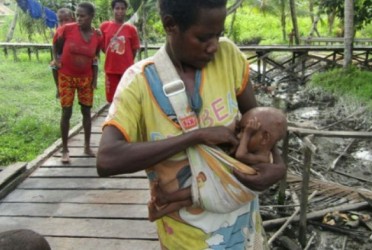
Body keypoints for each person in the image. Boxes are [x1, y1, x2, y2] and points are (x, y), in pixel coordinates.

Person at [96, 0, 286, 249]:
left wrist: (279, 165)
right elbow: (107, 160)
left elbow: (261, 121)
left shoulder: (228, 57)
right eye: (204, 38)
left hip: (243, 229)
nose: (213, 47)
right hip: (186, 239)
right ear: (170, 25)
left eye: (218, 35)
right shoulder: (138, 83)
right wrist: (195, 137)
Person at [147, 107, 287, 222]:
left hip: (226, 193)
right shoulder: (266, 151)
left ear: (265, 138)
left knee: (193, 193)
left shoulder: (263, 158)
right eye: (239, 130)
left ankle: (166, 199)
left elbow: (240, 155)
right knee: (190, 198)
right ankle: (159, 212)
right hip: (223, 185)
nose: (239, 136)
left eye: (245, 132)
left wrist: (247, 134)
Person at [53, 2, 102, 163]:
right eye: (77, 15)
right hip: (66, 77)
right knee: (66, 112)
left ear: (91, 17)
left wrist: (94, 79)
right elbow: (56, 45)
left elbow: (95, 57)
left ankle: (87, 147)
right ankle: (65, 150)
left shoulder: (97, 35)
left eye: (83, 16)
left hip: (85, 78)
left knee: (86, 112)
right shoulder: (67, 29)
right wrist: (56, 61)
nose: (79, 18)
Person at [99, 0, 140, 103]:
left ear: (126, 10)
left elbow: (134, 49)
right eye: (117, 8)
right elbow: (102, 46)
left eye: (122, 8)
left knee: (127, 98)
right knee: (112, 100)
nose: (120, 11)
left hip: (127, 70)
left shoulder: (131, 29)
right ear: (113, 10)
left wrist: (126, 60)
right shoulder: (105, 26)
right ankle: (113, 118)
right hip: (111, 69)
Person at [50, 8, 75, 99]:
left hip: (75, 55)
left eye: (66, 20)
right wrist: (56, 59)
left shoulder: (77, 28)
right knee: (53, 66)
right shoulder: (59, 30)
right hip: (62, 54)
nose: (64, 23)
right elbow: (54, 45)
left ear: (72, 19)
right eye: (61, 21)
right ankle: (58, 88)